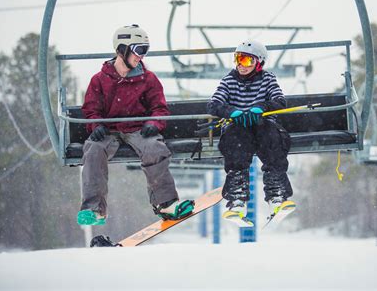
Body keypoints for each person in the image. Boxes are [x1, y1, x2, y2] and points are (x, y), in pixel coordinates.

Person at [77, 24, 194, 226]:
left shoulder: (148, 79)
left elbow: (159, 108)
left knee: (155, 148)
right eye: (139, 50)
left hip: (139, 128)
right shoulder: (100, 80)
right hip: (109, 130)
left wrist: (153, 123)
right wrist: (95, 126)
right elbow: (91, 108)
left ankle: (165, 203)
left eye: (145, 50)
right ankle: (94, 209)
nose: (142, 56)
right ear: (122, 49)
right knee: (94, 150)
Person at [207, 40, 293, 226]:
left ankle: (276, 195)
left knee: (273, 140)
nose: (241, 65)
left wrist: (261, 107)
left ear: (259, 63)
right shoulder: (229, 81)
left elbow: (280, 101)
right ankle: (237, 199)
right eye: (238, 59)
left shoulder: (267, 79)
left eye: (247, 61)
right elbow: (214, 104)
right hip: (237, 128)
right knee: (236, 144)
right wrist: (231, 112)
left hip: (263, 126)